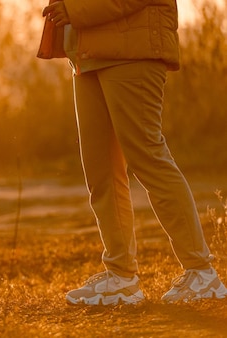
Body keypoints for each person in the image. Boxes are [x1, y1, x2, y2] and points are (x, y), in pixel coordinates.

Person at [41, 0, 227, 305]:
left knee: (148, 157)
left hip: (133, 50)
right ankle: (121, 277)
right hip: (87, 53)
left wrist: (76, 10)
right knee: (100, 170)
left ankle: (201, 272)